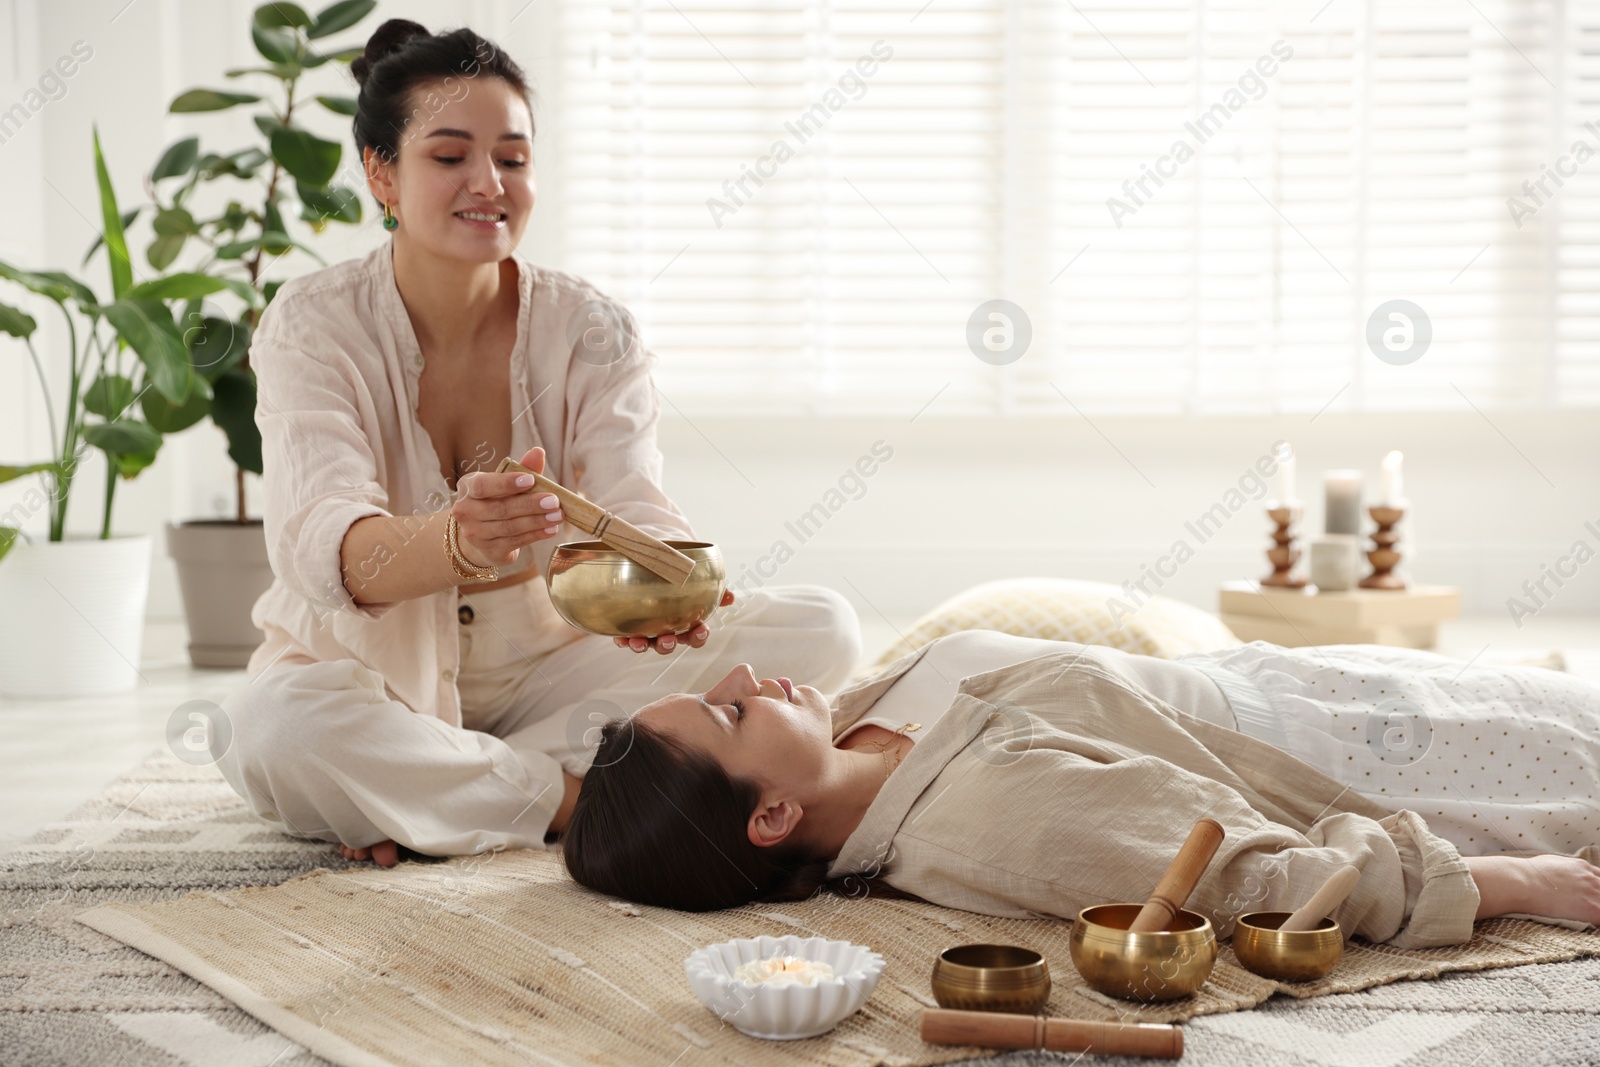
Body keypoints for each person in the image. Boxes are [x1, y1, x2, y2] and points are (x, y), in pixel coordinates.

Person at [212, 20, 860, 869]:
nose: (489, 183)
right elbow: (317, 548)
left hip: (549, 687)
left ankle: (430, 793)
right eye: (450, 157)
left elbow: (631, 499)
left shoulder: (590, 327)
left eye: (512, 159)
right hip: (366, 680)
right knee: (272, 728)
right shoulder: (310, 324)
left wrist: (661, 581)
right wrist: (459, 540)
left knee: (822, 628)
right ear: (382, 173)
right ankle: (573, 798)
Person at [561, 632, 1600, 949]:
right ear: (773, 813)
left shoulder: (855, 734)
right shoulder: (991, 820)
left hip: (1289, 676)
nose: (745, 678)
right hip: (1361, 751)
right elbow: (1261, 883)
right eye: (732, 714)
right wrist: (1517, 879)